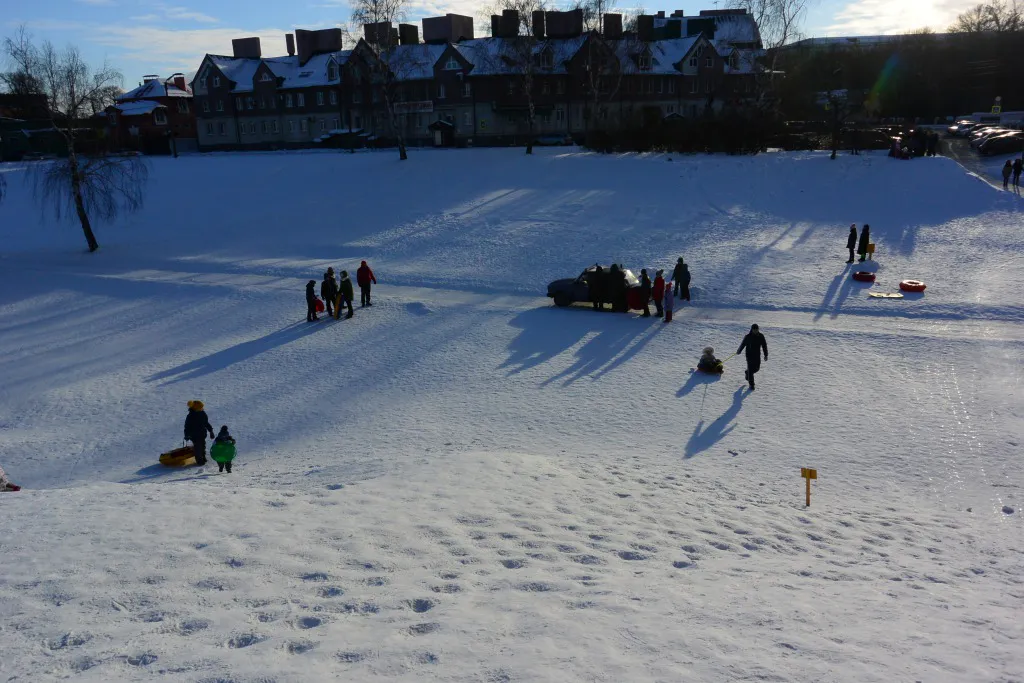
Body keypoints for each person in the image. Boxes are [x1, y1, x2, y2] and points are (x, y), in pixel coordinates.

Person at [737, 324, 768, 391]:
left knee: (757, 369)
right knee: (751, 370)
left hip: (757, 355)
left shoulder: (761, 336)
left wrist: (766, 355)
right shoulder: (748, 337)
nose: (756, 331)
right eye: (754, 330)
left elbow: (764, 345)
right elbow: (743, 344)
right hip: (749, 355)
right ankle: (752, 384)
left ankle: (747, 372)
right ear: (752, 329)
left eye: (757, 329)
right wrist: (739, 350)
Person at [184, 400, 216, 466]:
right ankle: (199, 461)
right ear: (196, 408)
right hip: (194, 435)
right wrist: (187, 435)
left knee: (203, 446)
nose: (202, 408)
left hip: (202, 434)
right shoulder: (190, 416)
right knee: (198, 448)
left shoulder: (203, 414)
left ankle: (203, 457)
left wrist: (211, 431)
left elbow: (206, 423)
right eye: (200, 407)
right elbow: (187, 426)